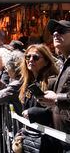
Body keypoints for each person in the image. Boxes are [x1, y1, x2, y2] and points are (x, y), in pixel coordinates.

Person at [37, 20, 70, 152]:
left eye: (61, 31)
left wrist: (57, 98)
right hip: (62, 137)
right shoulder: (65, 61)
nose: (55, 34)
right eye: (54, 32)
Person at [20, 44, 60, 152]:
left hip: (47, 142)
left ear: (46, 62)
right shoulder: (28, 81)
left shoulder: (52, 82)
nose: (31, 60)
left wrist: (35, 112)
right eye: (28, 57)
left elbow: (60, 111)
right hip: (30, 137)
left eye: (36, 57)